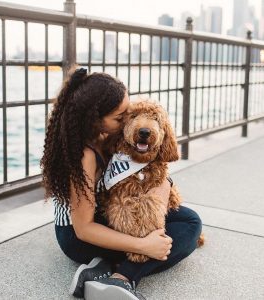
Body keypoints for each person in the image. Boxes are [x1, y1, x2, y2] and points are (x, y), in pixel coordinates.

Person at [40, 65, 203, 300]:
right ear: (95, 119)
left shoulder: (111, 135)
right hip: (79, 236)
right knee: (182, 235)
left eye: (129, 113)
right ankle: (123, 278)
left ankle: (100, 268)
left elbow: (151, 171)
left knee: (188, 219)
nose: (128, 120)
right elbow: (83, 228)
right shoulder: (84, 154)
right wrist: (144, 246)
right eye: (121, 117)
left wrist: (162, 188)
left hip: (110, 215)